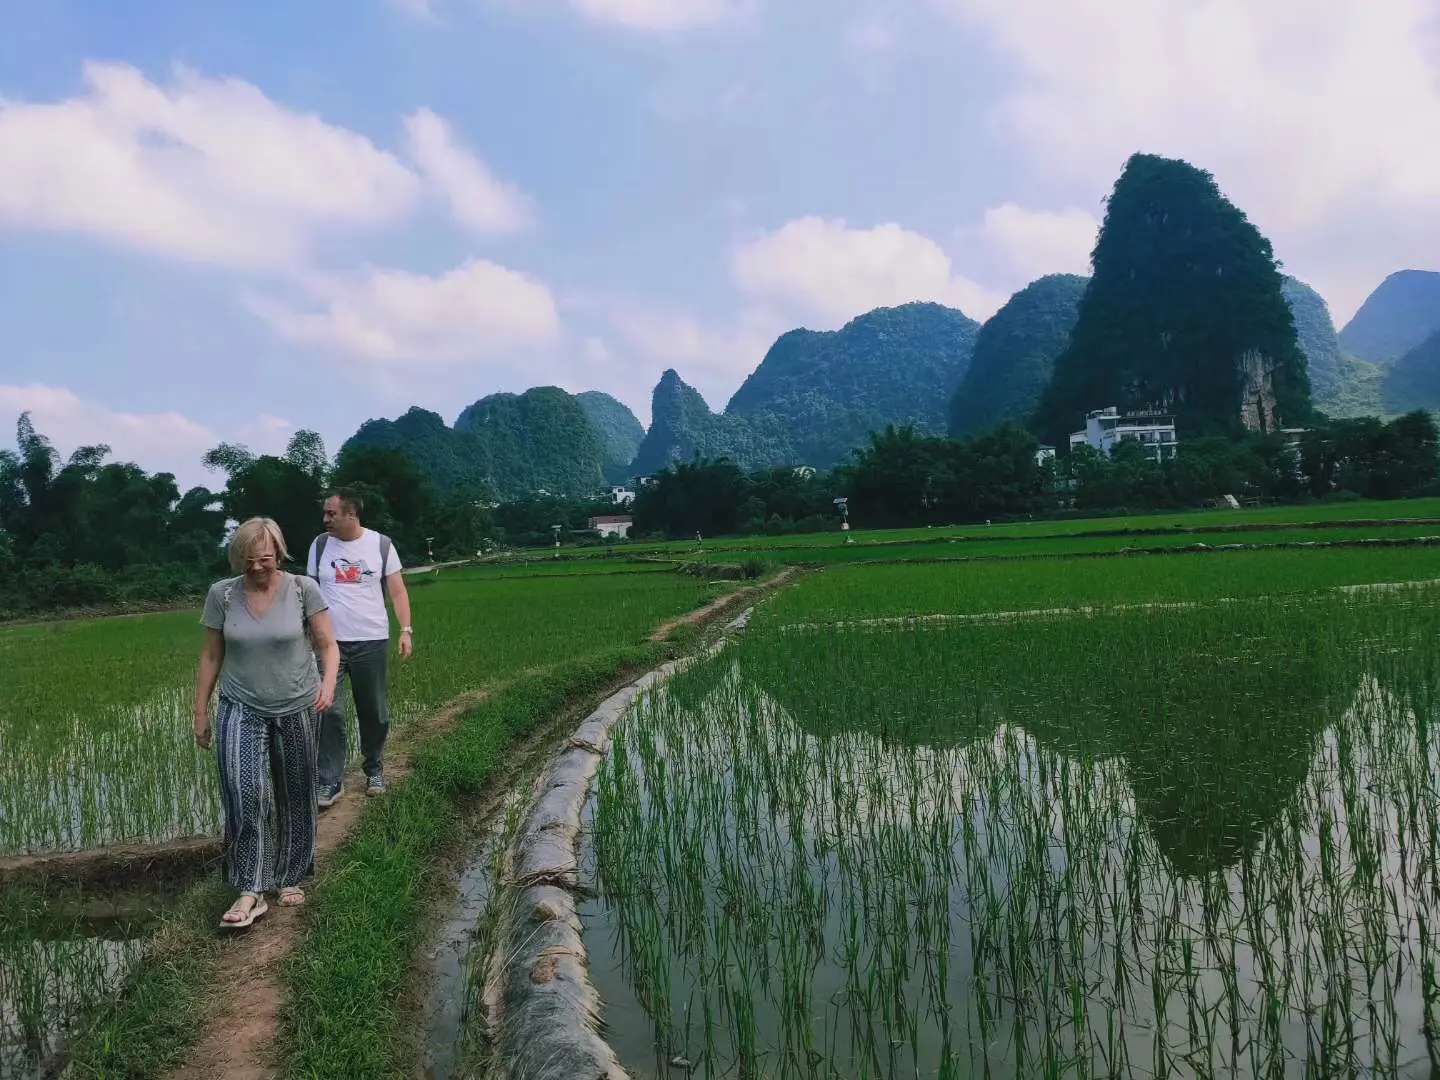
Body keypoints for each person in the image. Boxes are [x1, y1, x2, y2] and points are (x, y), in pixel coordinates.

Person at [194, 517, 339, 930]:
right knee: (244, 791)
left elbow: (328, 644)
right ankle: (250, 887)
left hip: (297, 702)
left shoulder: (301, 589)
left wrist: (327, 685)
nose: (256, 567)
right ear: (236, 558)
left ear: (278, 554)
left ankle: (290, 874)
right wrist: (201, 711)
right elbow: (210, 655)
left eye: (264, 559)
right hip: (241, 704)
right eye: (247, 560)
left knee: (295, 792)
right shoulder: (221, 595)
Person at [306, 487, 413, 807]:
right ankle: (330, 779)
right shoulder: (320, 545)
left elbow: (397, 592)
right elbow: (308, 592)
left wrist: (406, 630)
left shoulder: (380, 545)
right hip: (329, 644)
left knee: (374, 710)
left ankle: (374, 768)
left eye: (331, 513)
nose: (325, 519)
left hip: (370, 640)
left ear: (351, 514)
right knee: (329, 709)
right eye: (325, 513)